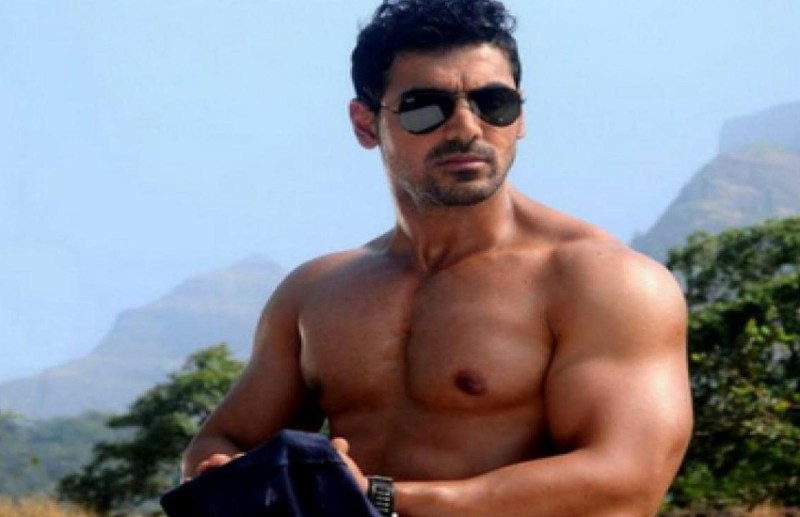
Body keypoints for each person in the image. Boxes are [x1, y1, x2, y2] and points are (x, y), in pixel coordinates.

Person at [181, 0, 693, 515]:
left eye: (493, 102)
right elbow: (223, 441)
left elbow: (626, 482)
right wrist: (229, 476)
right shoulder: (315, 292)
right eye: (425, 107)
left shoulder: (603, 281)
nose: (467, 128)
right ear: (365, 124)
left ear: (520, 118)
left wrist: (380, 499)